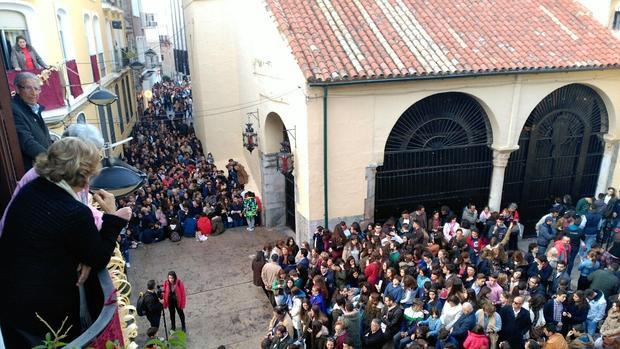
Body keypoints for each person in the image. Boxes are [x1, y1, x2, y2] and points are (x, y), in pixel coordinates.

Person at [0, 137, 130, 347]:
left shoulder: (30, 190)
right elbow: (99, 257)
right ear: (84, 176)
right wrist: (113, 217)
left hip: (10, 307)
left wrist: (83, 253)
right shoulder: (73, 212)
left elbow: (53, 238)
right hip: (44, 321)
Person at [11, 72, 52, 170]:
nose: (33, 93)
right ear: (17, 89)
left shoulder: (34, 108)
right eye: (28, 88)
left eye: (36, 89)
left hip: (44, 166)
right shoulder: (14, 109)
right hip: (32, 169)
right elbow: (27, 142)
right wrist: (53, 160)